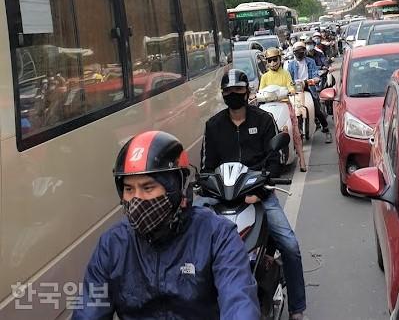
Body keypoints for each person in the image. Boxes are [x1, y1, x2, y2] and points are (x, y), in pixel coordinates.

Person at [73, 130, 260, 320]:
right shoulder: (112, 244)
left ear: (176, 189)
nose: (136, 199)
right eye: (129, 189)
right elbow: (89, 310)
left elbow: (239, 301)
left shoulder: (217, 235)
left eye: (148, 187)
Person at [202, 70, 307, 320]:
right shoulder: (213, 126)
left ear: (247, 93)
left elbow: (274, 162)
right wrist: (206, 186)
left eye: (238, 91)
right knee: (192, 241)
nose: (233, 95)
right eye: (229, 91)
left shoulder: (263, 120)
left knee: (290, 246)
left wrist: (259, 191)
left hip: (258, 193)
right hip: (222, 197)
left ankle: (297, 308)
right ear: (223, 94)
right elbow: (207, 167)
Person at [259, 47, 307, 172]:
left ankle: (302, 159)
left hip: (284, 105)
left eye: (275, 59)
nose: (273, 63)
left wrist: (290, 91)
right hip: (268, 108)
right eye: (269, 60)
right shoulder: (264, 77)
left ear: (280, 59)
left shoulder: (285, 73)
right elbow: (260, 92)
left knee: (295, 131)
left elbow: (291, 87)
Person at [288, 41, 332, 143]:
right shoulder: (291, 65)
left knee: (317, 110)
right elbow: (289, 79)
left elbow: (315, 75)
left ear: (305, 51)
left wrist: (314, 80)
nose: (300, 53)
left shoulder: (310, 61)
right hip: (296, 90)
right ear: (294, 52)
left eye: (302, 50)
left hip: (309, 88)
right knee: (293, 112)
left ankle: (326, 130)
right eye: (297, 51)